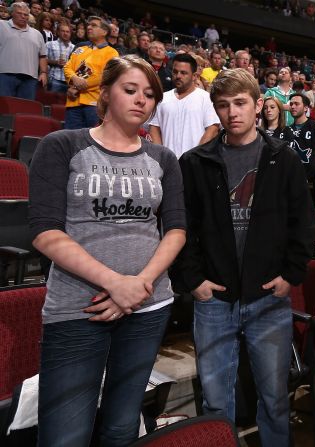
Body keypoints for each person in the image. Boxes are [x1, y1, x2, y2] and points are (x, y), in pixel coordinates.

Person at [29, 55, 186, 447]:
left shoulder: (163, 158)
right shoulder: (63, 145)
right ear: (106, 92)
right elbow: (46, 232)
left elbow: (177, 230)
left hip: (148, 306)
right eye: (130, 90)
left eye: (149, 94)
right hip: (79, 306)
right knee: (65, 434)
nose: (141, 101)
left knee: (120, 426)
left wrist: (139, 287)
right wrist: (116, 284)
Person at [176, 68, 315, 447]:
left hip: (268, 295)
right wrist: (194, 281)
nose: (232, 113)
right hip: (214, 297)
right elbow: (181, 227)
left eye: (240, 103)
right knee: (216, 400)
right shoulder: (195, 161)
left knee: (273, 397)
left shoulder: (282, 158)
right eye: (223, 105)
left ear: (258, 106)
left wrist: (292, 274)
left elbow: (302, 222)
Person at [149, 53, 220, 158]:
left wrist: (196, 156)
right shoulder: (162, 98)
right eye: (175, 72)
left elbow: (212, 129)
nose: (178, 76)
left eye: (183, 73)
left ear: (194, 76)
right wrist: (161, 156)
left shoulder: (206, 98)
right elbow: (154, 128)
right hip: (167, 164)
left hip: (195, 163)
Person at [64, 16, 119, 129]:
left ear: (104, 31)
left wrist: (76, 87)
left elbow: (105, 76)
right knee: (69, 140)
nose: (89, 27)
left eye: (93, 25)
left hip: (94, 103)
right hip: (73, 102)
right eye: (88, 25)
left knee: (91, 142)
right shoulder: (80, 49)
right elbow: (67, 68)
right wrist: (74, 79)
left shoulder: (112, 53)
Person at [0, 2, 48, 99]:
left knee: (25, 108)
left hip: (30, 79)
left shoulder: (37, 34)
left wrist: (43, 73)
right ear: (12, 13)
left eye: (26, 14)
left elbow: (42, 56)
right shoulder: (1, 25)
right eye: (19, 13)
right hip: (4, 74)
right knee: (4, 109)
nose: (23, 16)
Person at [45, 21, 74, 93]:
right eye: (63, 31)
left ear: (70, 34)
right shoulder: (50, 44)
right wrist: (55, 62)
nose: (65, 33)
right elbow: (43, 60)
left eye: (67, 32)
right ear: (58, 32)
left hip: (70, 81)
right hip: (54, 78)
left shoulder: (75, 48)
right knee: (51, 102)